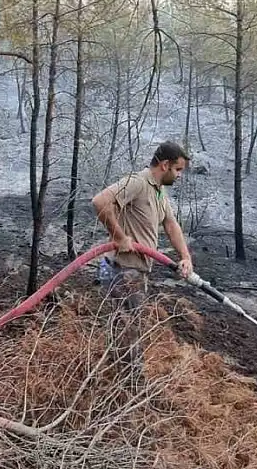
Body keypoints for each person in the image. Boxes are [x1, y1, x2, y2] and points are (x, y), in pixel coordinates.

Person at [91, 141, 194, 381]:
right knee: (128, 329)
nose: (179, 176)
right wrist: (119, 236)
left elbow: (170, 224)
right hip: (124, 269)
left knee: (126, 325)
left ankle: (118, 378)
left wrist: (185, 257)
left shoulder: (158, 190)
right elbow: (100, 201)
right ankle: (130, 385)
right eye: (177, 170)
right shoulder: (138, 182)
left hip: (137, 271)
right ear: (165, 164)